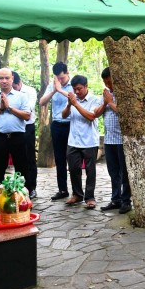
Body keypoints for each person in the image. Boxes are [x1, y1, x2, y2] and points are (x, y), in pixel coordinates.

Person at [0, 68, 31, 192]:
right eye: (1, 78)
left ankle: (23, 196)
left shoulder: (21, 96)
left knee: (22, 169)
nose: (4, 81)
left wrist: (9, 108)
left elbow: (27, 115)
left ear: (12, 78)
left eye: (7, 78)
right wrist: (0, 108)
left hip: (18, 137)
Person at [61, 75, 103, 209]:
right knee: (73, 169)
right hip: (73, 140)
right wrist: (69, 104)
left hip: (90, 141)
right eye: (75, 89)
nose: (77, 92)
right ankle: (77, 194)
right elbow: (63, 115)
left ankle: (90, 197)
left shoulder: (95, 100)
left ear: (86, 86)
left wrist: (76, 104)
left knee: (90, 171)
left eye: (79, 89)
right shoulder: (72, 99)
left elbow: (91, 117)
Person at [99, 67, 132, 214]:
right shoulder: (106, 94)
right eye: (106, 83)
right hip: (109, 139)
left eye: (110, 82)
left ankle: (126, 201)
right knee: (113, 172)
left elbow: (125, 113)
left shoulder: (125, 94)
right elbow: (96, 113)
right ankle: (115, 199)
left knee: (124, 172)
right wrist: (106, 102)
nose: (108, 86)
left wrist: (111, 102)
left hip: (122, 140)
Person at [40, 62, 74, 201]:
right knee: (59, 159)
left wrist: (60, 90)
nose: (59, 80)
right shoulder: (52, 85)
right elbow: (42, 102)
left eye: (62, 78)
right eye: (57, 78)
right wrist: (54, 90)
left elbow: (75, 99)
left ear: (67, 73)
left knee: (73, 159)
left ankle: (77, 191)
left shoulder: (74, 84)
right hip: (57, 125)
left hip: (72, 124)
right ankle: (62, 189)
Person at [11, 71, 38, 198]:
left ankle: (32, 187)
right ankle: (19, 187)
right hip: (14, 128)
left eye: (14, 86)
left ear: (18, 82)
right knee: (18, 159)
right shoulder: (7, 92)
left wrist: (11, 108)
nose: (13, 89)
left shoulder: (30, 91)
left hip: (27, 127)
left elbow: (28, 108)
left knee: (29, 158)